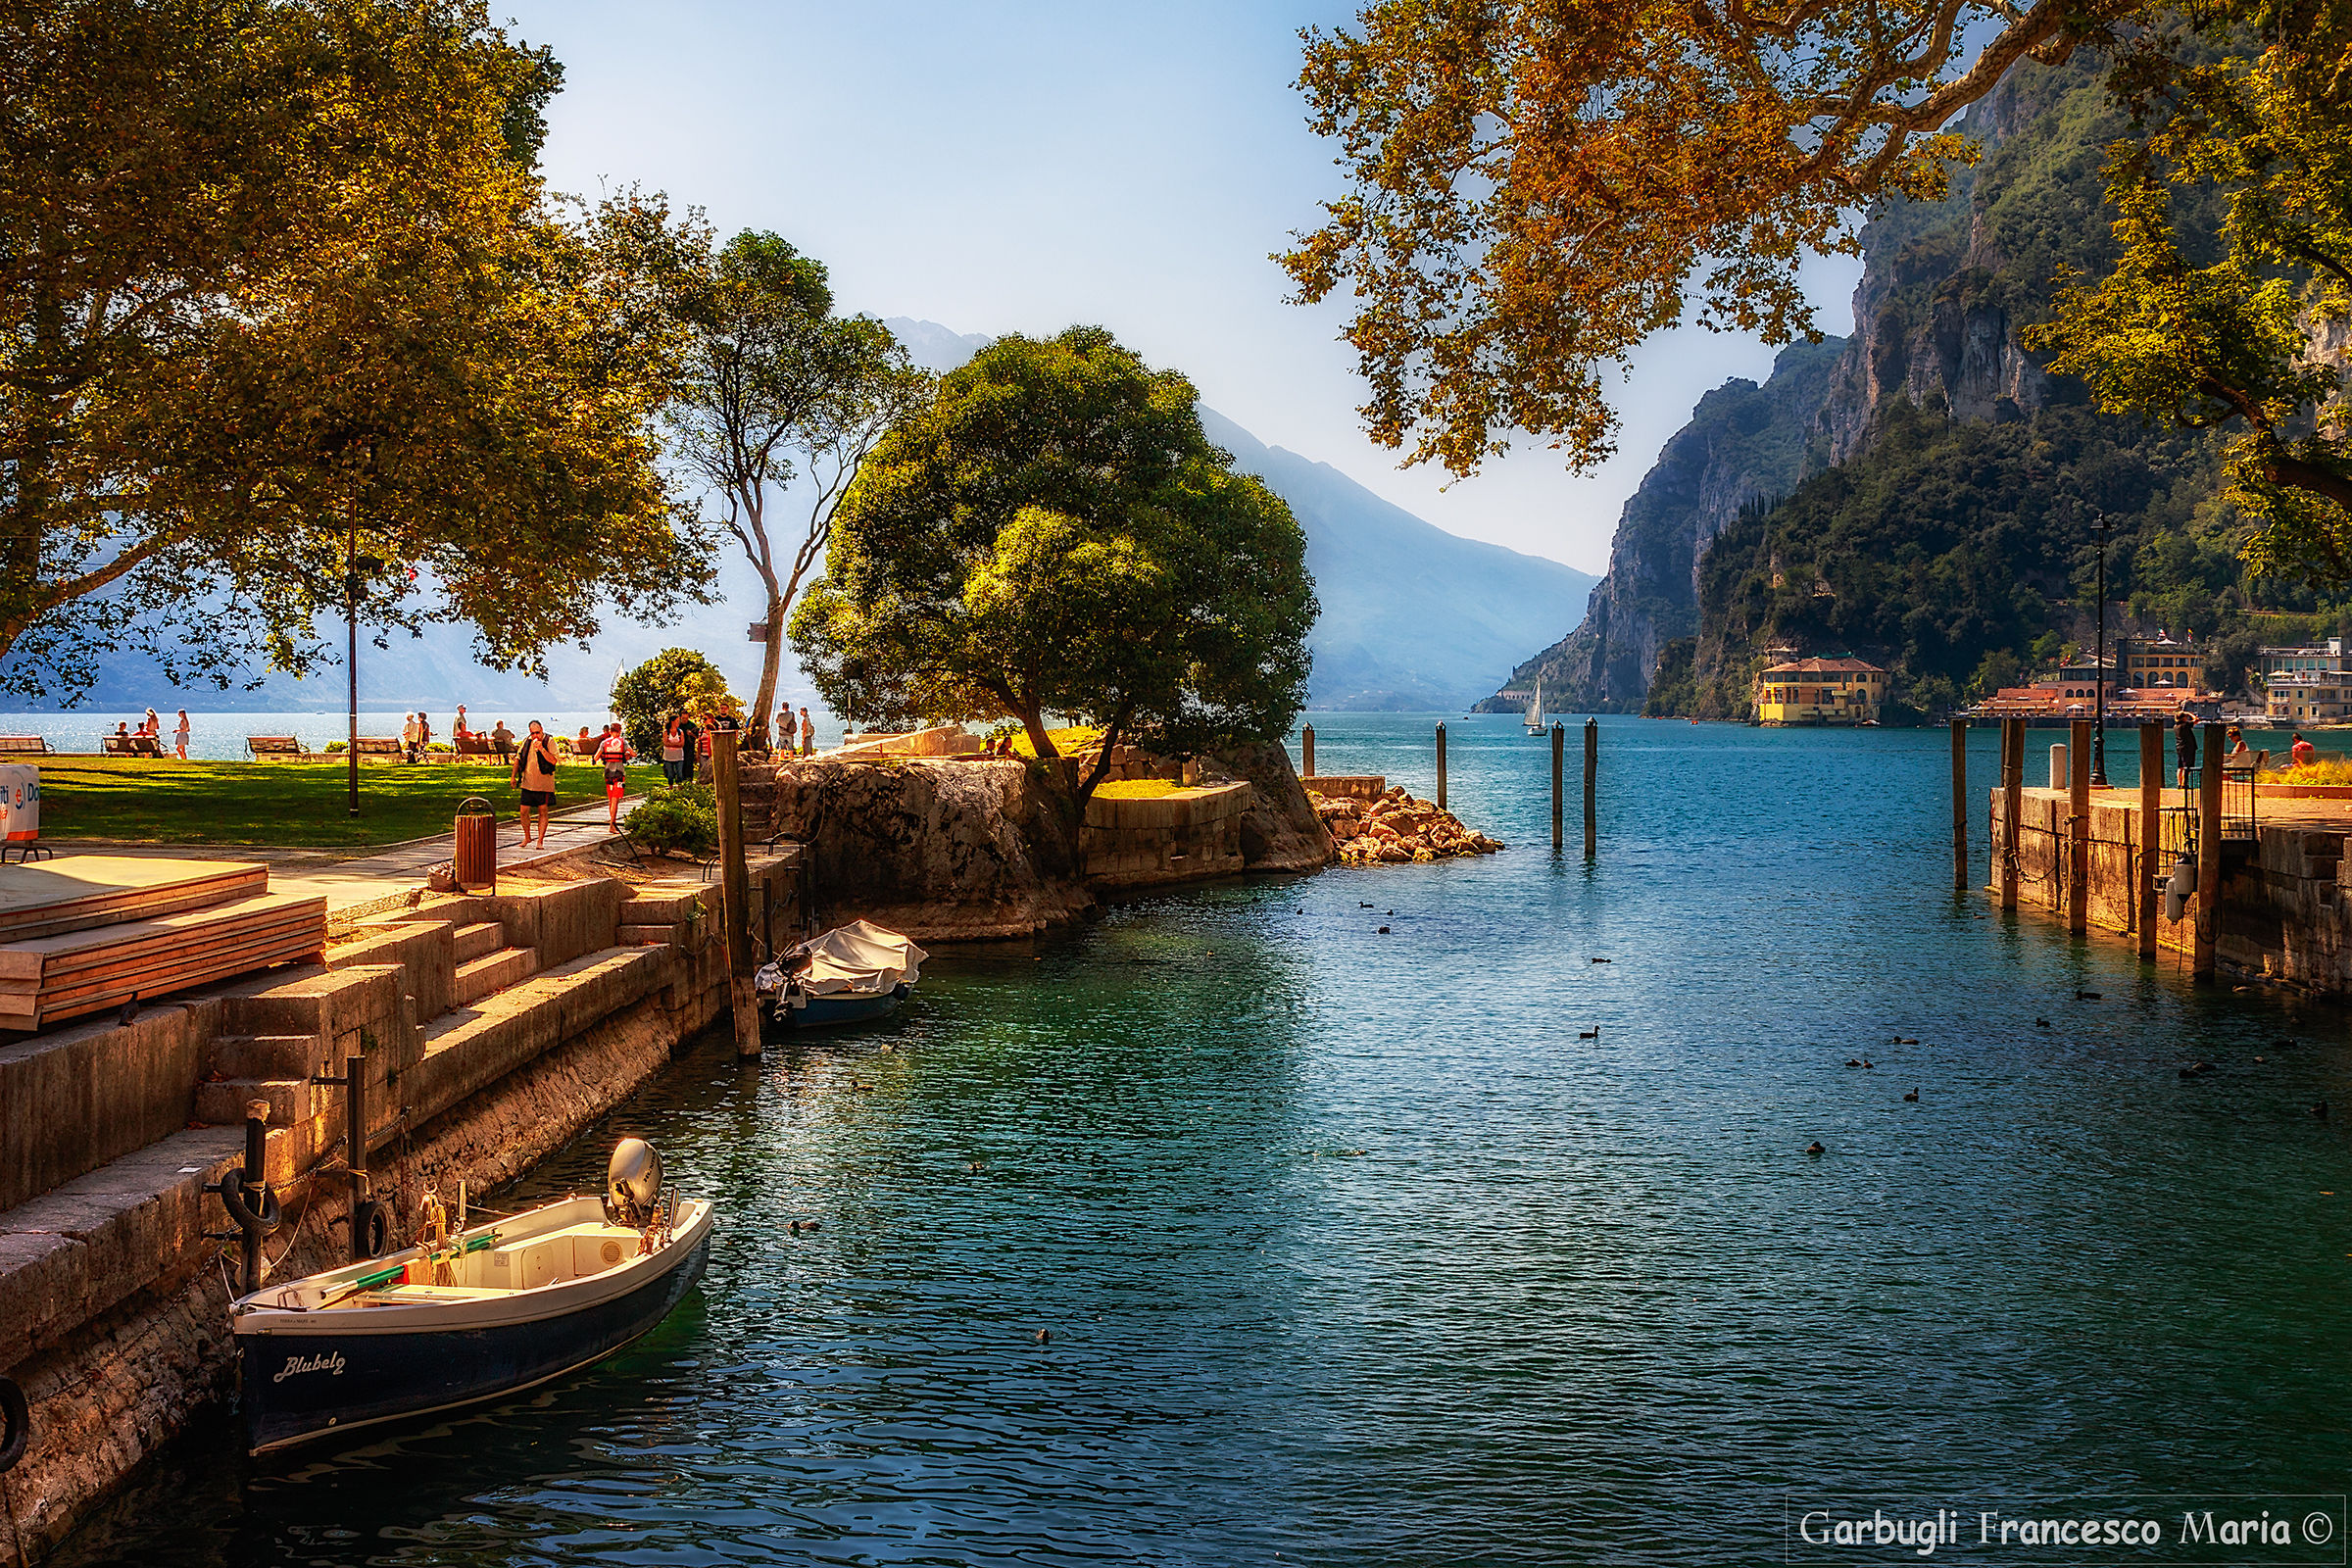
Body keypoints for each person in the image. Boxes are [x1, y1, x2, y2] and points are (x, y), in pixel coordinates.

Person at [512, 720, 561, 849]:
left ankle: (540, 841)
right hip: (527, 782)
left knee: (542, 810)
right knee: (523, 811)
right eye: (532, 733)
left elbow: (554, 761)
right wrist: (513, 777)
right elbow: (518, 758)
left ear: (542, 730)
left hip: (544, 784)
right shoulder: (527, 741)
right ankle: (527, 837)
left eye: (537, 733)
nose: (535, 736)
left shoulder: (549, 741)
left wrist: (541, 749)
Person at [594, 722, 632, 831]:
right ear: (619, 732)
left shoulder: (604, 743)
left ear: (610, 731)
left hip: (608, 773)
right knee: (615, 800)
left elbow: (596, 757)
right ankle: (612, 824)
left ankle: (612, 822)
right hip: (619, 773)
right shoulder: (623, 742)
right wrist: (626, 755)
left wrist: (605, 756)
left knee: (611, 799)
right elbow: (633, 754)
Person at [661, 713, 687, 784]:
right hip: (668, 757)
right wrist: (676, 744)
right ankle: (671, 787)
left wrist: (671, 744)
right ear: (672, 721)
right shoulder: (666, 732)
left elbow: (682, 744)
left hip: (679, 757)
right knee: (670, 775)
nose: (679, 722)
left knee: (680, 774)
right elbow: (666, 743)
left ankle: (680, 787)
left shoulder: (680, 732)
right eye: (677, 721)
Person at [2175, 711, 2198, 788]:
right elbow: (2196, 720)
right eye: (2186, 717)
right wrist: (2190, 714)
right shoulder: (2185, 725)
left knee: (2180, 767)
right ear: (2183, 718)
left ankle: (2179, 783)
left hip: (2179, 747)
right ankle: (2184, 784)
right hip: (2188, 748)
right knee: (2187, 766)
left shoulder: (2175, 726)